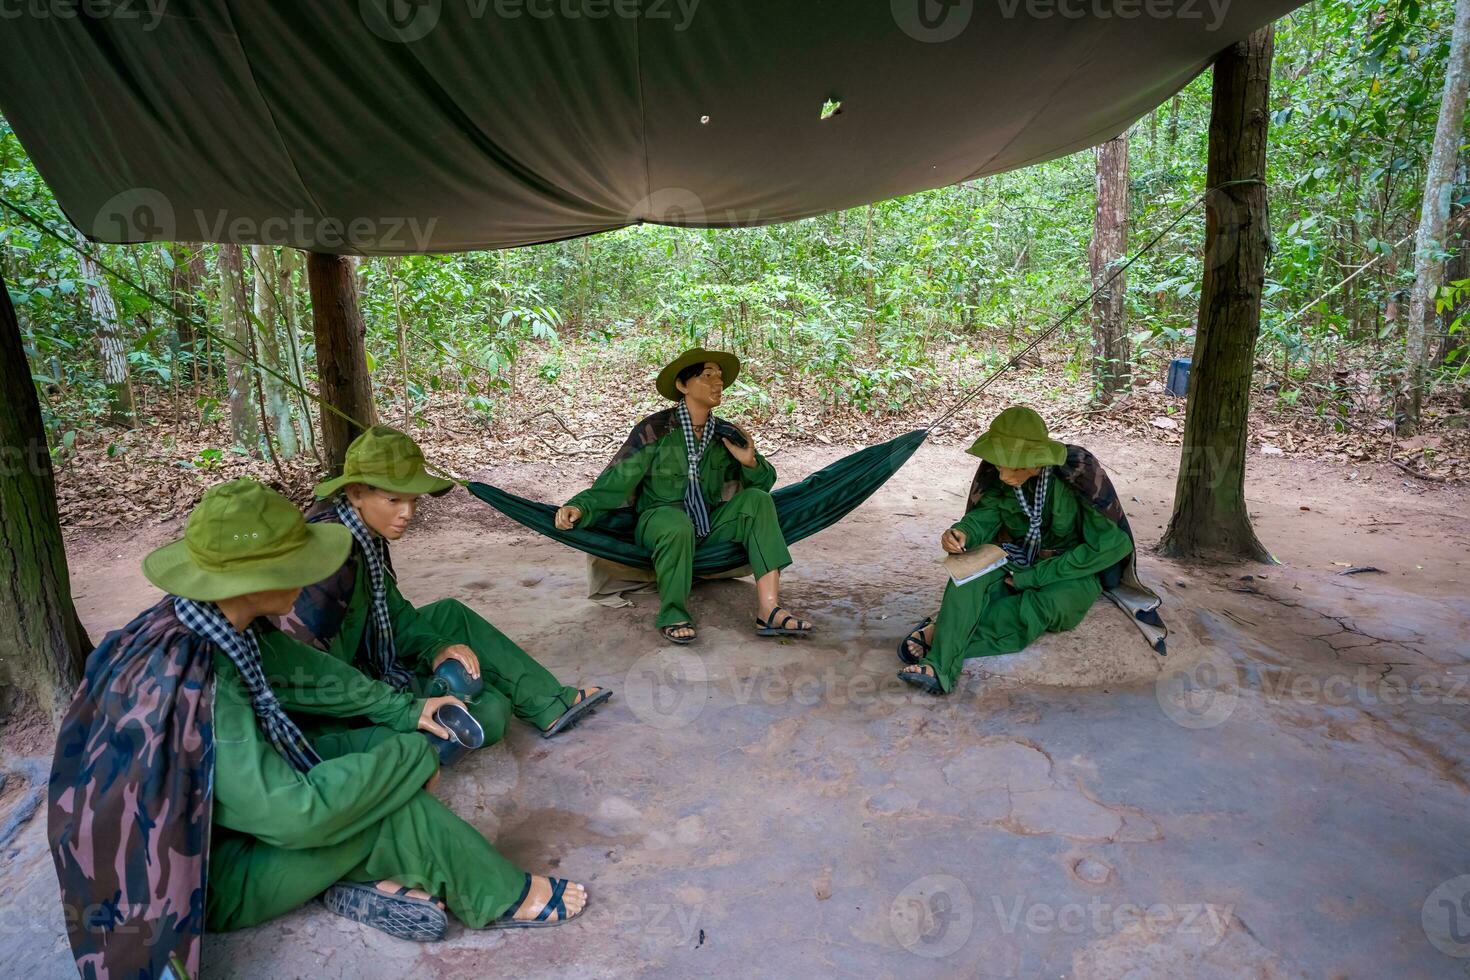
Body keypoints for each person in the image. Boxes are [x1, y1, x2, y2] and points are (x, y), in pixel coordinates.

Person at [48, 480, 587, 978]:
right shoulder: (200, 684)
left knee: (378, 758)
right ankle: (497, 893)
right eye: (296, 563)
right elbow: (293, 816)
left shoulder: (204, 621)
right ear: (248, 580)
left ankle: (360, 883)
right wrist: (411, 759)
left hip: (218, 816)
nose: (311, 576)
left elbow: (309, 674)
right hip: (202, 876)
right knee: (391, 812)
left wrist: (404, 715)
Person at [280, 426, 610, 744]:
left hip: (365, 658)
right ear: (356, 493)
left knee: (450, 617)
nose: (407, 513)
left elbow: (392, 612)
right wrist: (401, 707)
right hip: (339, 691)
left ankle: (551, 703)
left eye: (414, 501)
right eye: (394, 500)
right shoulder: (328, 557)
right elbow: (310, 675)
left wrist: (436, 647)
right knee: (491, 714)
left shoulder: (362, 534)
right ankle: (406, 741)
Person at [555, 347, 813, 644]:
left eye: (719, 376)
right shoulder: (654, 430)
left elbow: (764, 483)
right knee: (677, 524)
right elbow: (616, 482)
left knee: (759, 502)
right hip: (659, 521)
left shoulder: (725, 434)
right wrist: (580, 506)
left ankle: (769, 610)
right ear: (682, 385)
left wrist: (750, 463)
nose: (718, 383)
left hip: (708, 525)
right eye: (707, 376)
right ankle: (673, 612)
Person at [897, 406, 1135, 695]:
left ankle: (942, 637)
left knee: (1045, 608)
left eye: (1015, 466)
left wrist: (1035, 577)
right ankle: (939, 667)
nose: (1004, 475)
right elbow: (988, 513)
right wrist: (962, 532)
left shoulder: (1077, 477)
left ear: (1037, 461)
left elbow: (1110, 546)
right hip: (1017, 556)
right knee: (966, 578)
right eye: (1000, 465)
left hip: (1069, 569)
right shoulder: (1000, 475)